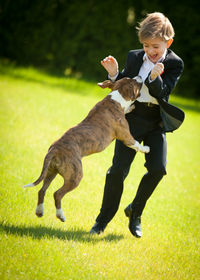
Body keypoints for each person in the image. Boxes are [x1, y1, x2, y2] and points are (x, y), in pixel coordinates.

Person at [90, 12, 184, 238]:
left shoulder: (174, 64)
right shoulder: (134, 57)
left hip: (155, 123)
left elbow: (163, 92)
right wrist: (114, 74)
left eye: (156, 47)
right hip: (130, 120)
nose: (150, 51)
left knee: (158, 169)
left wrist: (154, 77)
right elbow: (124, 84)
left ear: (167, 43)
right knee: (117, 172)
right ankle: (101, 221)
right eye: (146, 45)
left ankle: (135, 211)